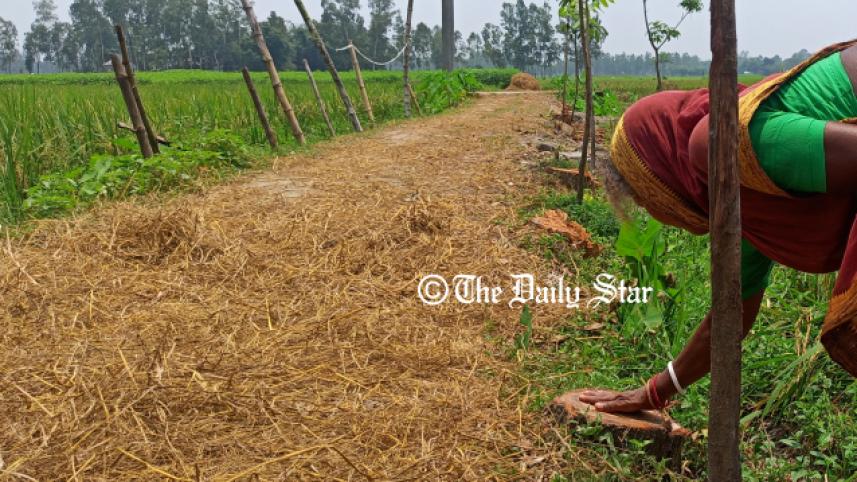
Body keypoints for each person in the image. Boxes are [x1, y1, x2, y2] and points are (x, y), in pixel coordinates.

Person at [579, 39, 857, 413]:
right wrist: (654, 392)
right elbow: (729, 317)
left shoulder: (716, 145)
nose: (658, 217)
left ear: (658, 180)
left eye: (644, 203)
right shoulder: (745, 195)